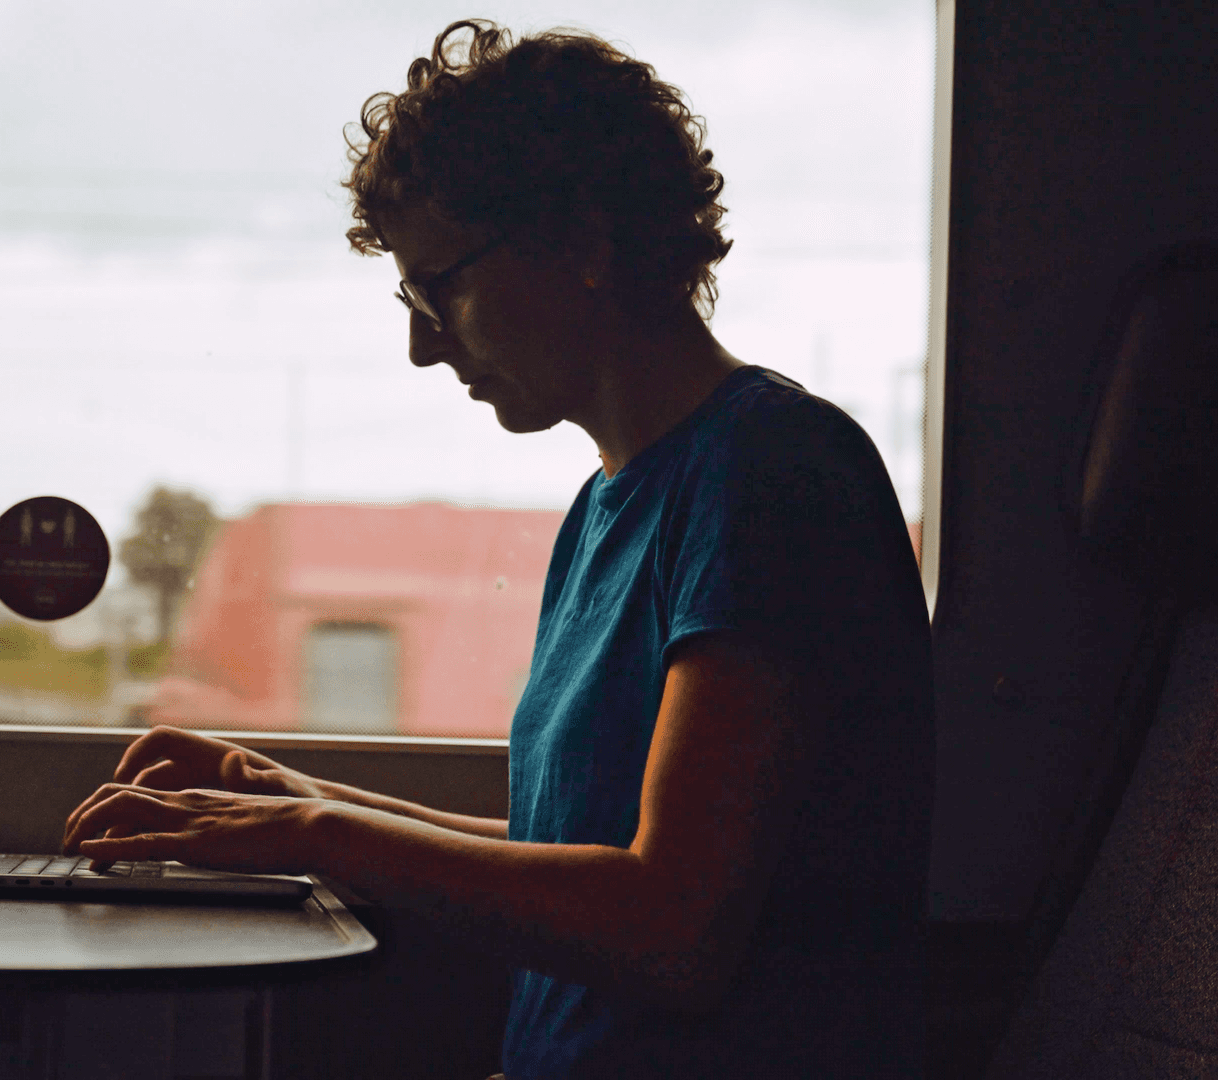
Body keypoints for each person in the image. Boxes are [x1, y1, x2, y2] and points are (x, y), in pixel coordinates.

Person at [62, 19, 932, 1079]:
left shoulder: (773, 476)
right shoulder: (608, 507)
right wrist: (280, 791)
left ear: (582, 243)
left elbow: (670, 929)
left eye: (442, 287)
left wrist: (314, 837)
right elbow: (557, 854)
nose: (425, 343)